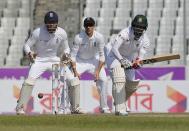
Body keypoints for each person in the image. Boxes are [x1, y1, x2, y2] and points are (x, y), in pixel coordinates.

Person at [16, 11, 70, 115]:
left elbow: (67, 48)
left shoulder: (62, 33)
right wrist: (29, 53)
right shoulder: (37, 32)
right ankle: (20, 108)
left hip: (55, 59)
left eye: (53, 22)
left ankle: (70, 108)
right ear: (45, 23)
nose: (51, 25)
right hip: (39, 60)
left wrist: (65, 54)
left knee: (71, 80)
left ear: (57, 23)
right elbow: (26, 46)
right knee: (29, 82)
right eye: (49, 23)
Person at [105, 14, 150, 116]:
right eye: (137, 27)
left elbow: (140, 56)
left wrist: (138, 62)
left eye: (141, 28)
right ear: (133, 26)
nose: (138, 30)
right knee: (119, 78)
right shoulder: (125, 33)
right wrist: (121, 60)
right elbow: (114, 49)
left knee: (132, 85)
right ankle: (120, 109)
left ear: (145, 28)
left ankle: (120, 102)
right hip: (113, 54)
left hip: (128, 57)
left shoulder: (146, 40)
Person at [66, 17, 110, 114]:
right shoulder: (78, 37)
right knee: (71, 80)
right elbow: (72, 56)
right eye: (86, 25)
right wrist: (75, 71)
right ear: (84, 27)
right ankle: (72, 107)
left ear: (94, 26)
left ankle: (104, 107)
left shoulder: (99, 37)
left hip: (94, 61)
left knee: (104, 80)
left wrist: (97, 71)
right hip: (80, 61)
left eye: (90, 25)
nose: (88, 27)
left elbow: (102, 56)